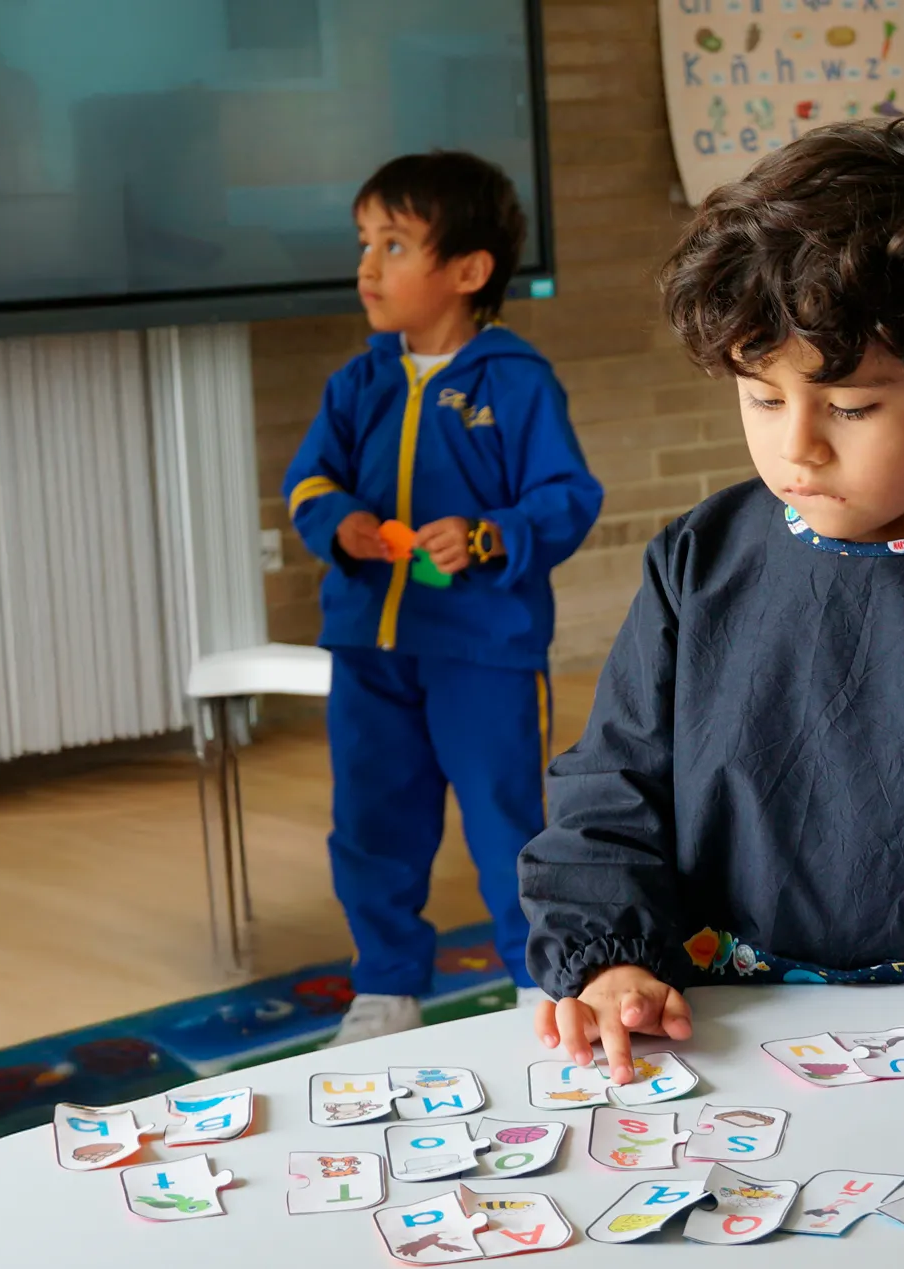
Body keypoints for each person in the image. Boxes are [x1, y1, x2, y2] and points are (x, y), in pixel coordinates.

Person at [517, 118, 904, 1084]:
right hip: (713, 1045)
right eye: (761, 397)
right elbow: (610, 794)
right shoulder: (700, 559)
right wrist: (610, 957)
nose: (798, 447)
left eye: (852, 406)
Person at [283, 150, 604, 1042]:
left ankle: (537, 982)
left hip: (483, 650)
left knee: (505, 818)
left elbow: (567, 498)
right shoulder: (359, 382)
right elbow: (308, 480)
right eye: (364, 243)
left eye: (393, 244)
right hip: (370, 645)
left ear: (467, 271)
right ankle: (385, 987)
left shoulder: (516, 380)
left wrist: (490, 534)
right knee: (373, 820)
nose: (366, 266)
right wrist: (339, 521)